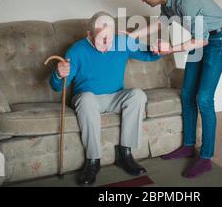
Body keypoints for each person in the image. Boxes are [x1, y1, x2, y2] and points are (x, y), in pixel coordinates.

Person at [129, 0, 222, 178]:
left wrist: (170, 48)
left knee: (203, 98)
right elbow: (161, 22)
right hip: (201, 39)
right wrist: (132, 34)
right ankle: (187, 145)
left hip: (218, 40)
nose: (142, 0)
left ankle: (205, 157)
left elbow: (202, 40)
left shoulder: (186, 1)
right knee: (186, 94)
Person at [49, 11, 162, 186]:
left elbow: (148, 54)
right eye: (102, 38)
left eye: (110, 38)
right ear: (89, 35)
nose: (108, 44)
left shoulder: (121, 42)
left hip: (114, 97)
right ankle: (93, 161)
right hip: (88, 99)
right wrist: (58, 74)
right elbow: (57, 87)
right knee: (86, 98)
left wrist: (159, 48)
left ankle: (125, 154)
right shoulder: (77, 50)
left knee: (138, 95)